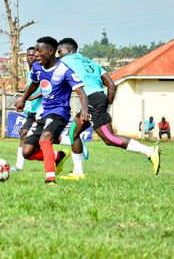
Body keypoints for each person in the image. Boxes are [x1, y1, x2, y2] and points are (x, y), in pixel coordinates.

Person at [57, 38, 160, 181]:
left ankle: (149, 151)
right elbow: (111, 85)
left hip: (91, 101)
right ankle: (78, 172)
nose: (59, 55)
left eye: (60, 51)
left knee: (109, 138)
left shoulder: (66, 60)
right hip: (96, 100)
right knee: (73, 132)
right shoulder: (93, 63)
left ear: (68, 50)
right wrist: (107, 104)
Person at [15, 36, 89, 184]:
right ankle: (58, 156)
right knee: (27, 152)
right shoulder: (37, 67)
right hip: (43, 112)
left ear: (50, 52)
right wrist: (23, 99)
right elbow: (34, 84)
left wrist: (85, 110)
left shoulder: (64, 70)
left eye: (39, 50)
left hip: (59, 112)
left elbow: (81, 92)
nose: (36, 54)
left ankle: (50, 179)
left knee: (45, 139)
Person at [11, 46, 43, 171]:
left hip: (42, 110)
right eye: (28, 55)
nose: (30, 57)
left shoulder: (41, 71)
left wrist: (32, 97)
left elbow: (47, 88)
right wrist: (23, 103)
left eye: (33, 55)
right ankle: (19, 166)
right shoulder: (30, 73)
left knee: (48, 138)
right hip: (31, 111)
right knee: (24, 134)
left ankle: (73, 141)